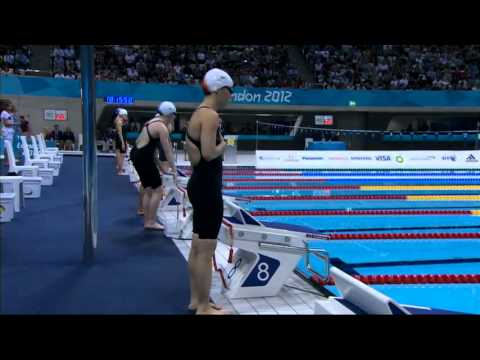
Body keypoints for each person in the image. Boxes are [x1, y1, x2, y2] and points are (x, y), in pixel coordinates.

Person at [185, 68, 233, 315]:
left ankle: (196, 300)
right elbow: (207, 153)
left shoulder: (197, 113)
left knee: (197, 246)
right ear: (221, 90)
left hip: (198, 183)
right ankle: (204, 308)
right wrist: (225, 144)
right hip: (207, 187)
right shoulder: (211, 116)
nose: (230, 97)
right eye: (230, 92)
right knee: (205, 250)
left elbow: (192, 154)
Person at [130, 102, 177, 230]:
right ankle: (150, 222)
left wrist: (162, 169)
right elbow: (168, 151)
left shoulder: (151, 122)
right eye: (174, 116)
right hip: (143, 157)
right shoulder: (162, 128)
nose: (174, 119)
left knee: (148, 188)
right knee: (158, 189)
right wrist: (175, 170)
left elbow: (151, 151)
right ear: (170, 115)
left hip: (137, 154)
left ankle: (147, 220)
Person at [113, 108, 129, 175]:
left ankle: (119, 168)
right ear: (122, 115)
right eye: (125, 115)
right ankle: (120, 171)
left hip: (120, 139)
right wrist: (123, 143)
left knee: (119, 155)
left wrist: (125, 142)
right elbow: (120, 133)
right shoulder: (119, 122)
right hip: (120, 139)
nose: (126, 116)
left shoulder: (119, 120)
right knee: (121, 156)